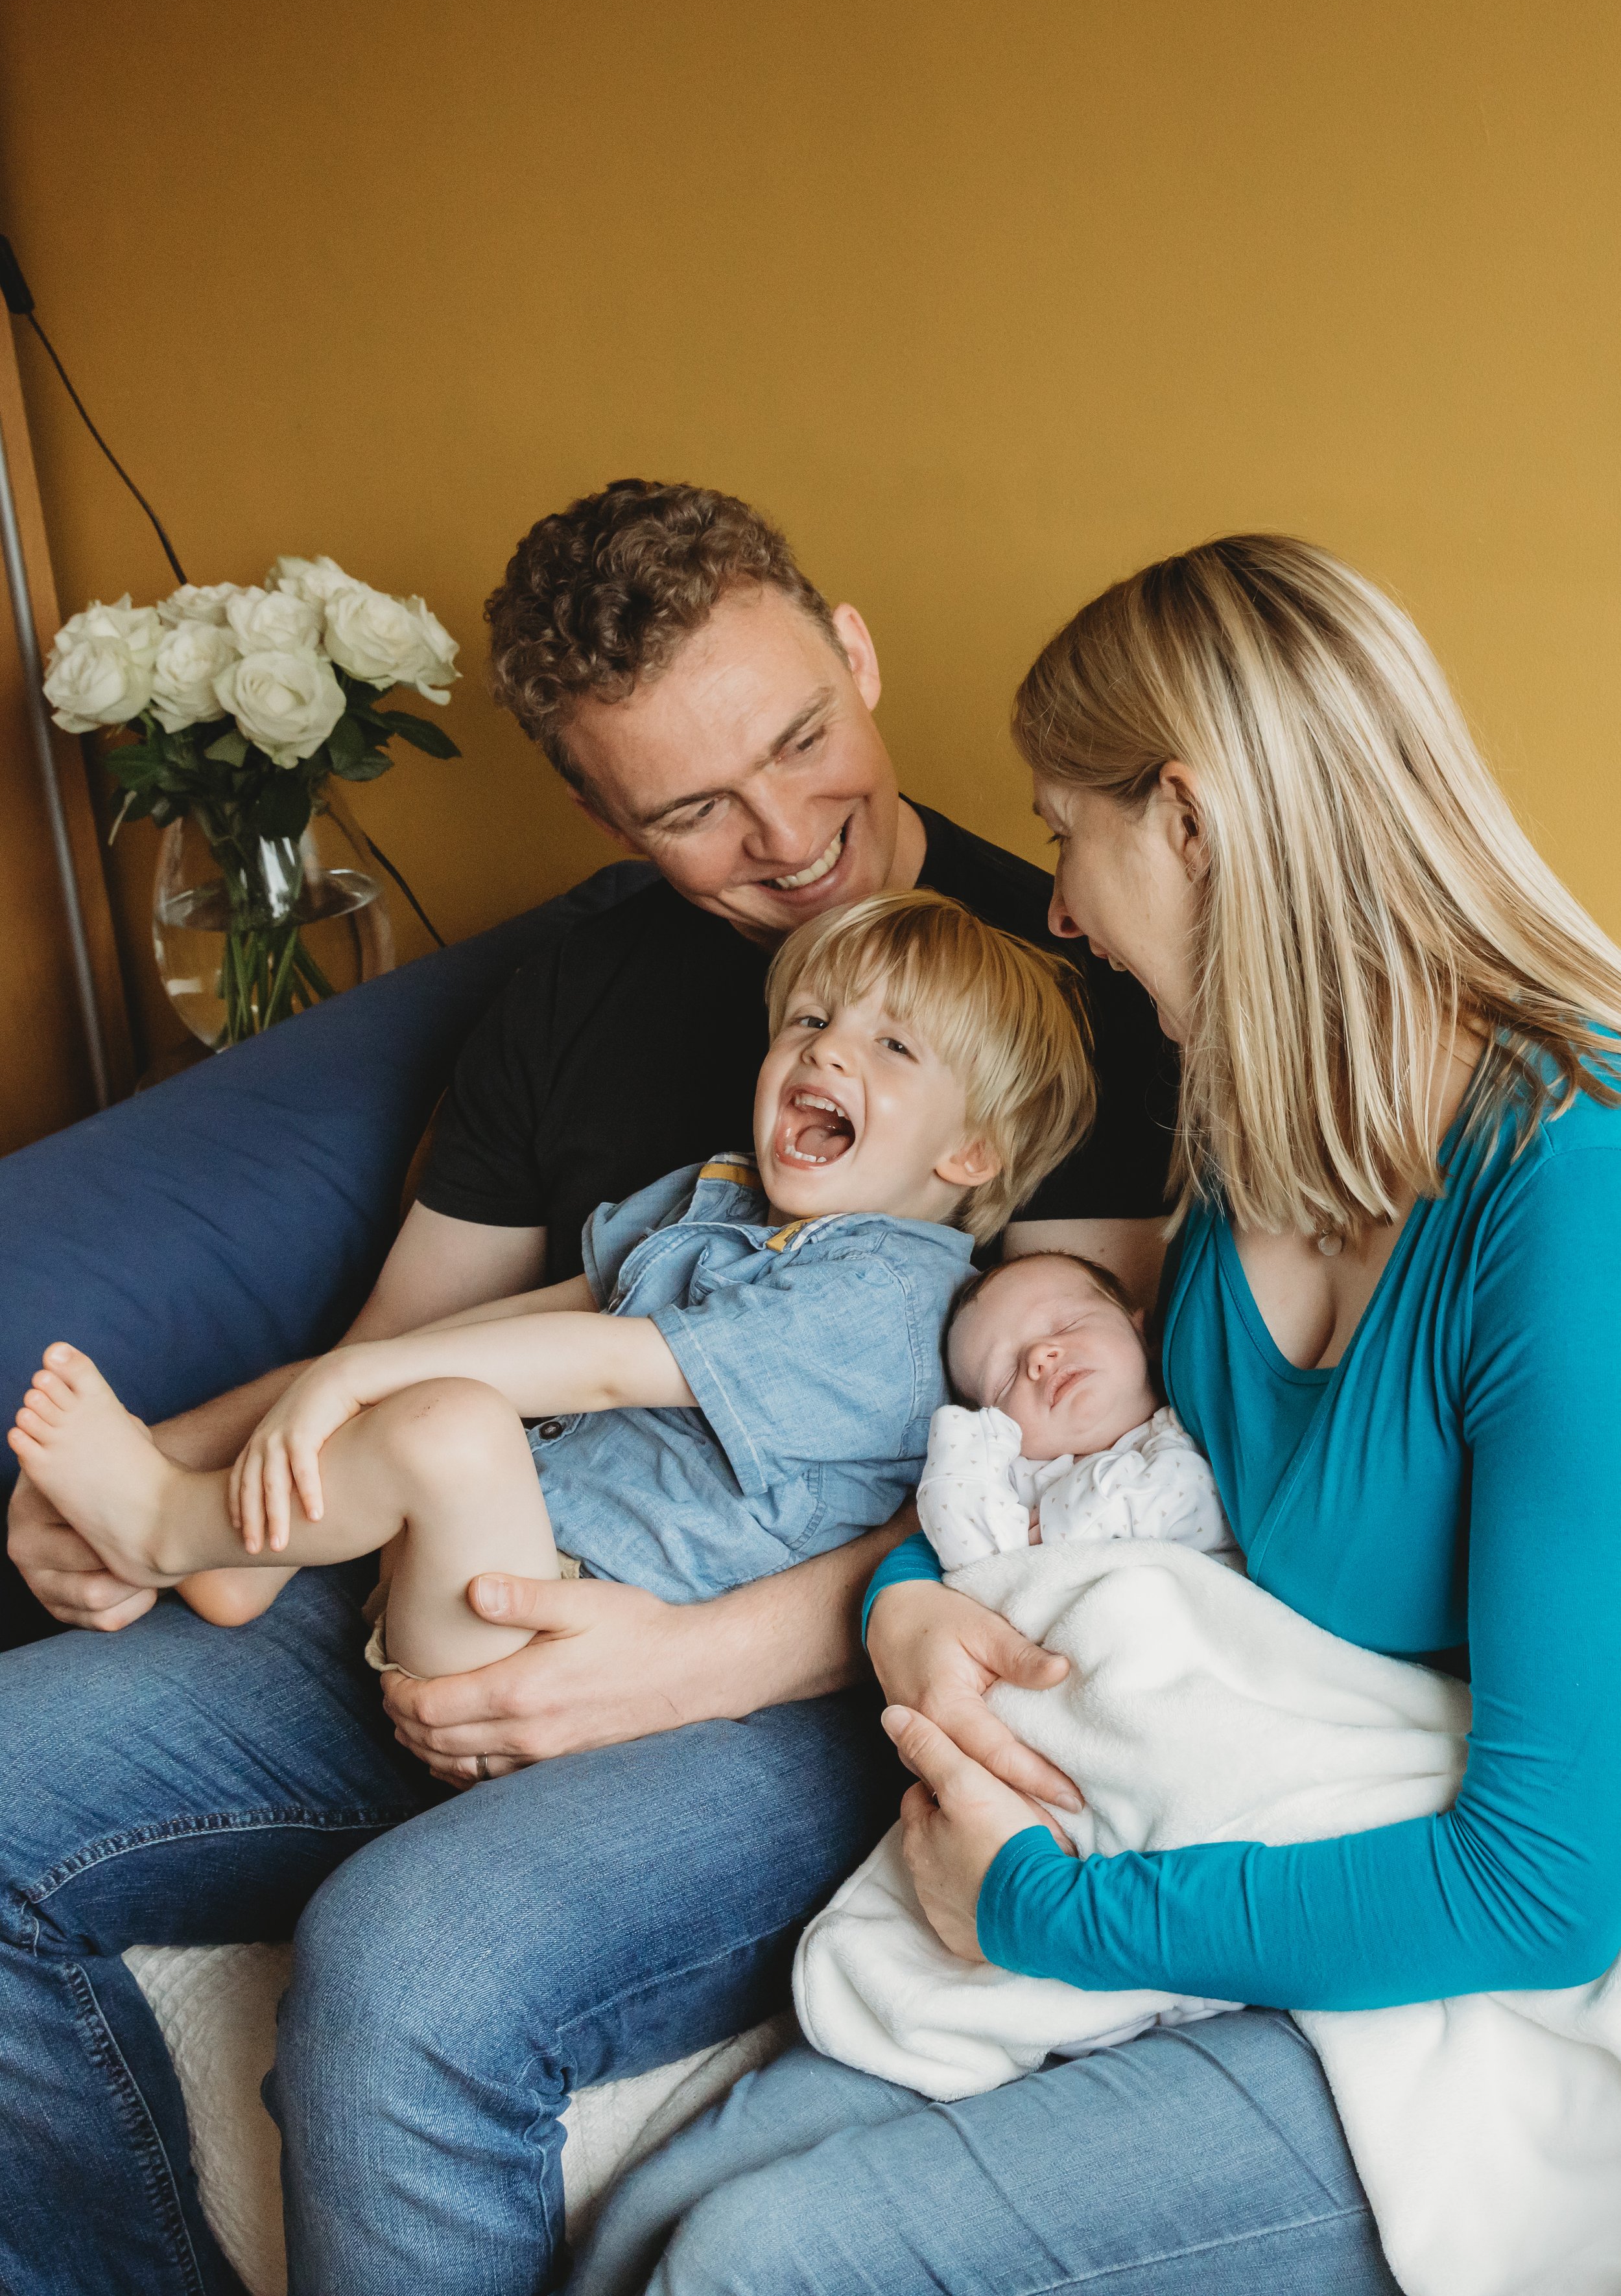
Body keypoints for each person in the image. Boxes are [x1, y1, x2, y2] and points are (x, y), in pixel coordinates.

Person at [0, 480, 1174, 2296]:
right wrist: (159, 1474)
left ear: (855, 650)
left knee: (410, 1960)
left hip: (816, 1665)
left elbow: (1039, 1466)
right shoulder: (577, 994)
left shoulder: (1070, 982)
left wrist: (698, 1659)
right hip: (475, 1561)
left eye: (801, 738)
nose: (786, 836)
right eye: (693, 809)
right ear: (595, 806)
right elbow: (410, 1336)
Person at [565, 532, 1621, 2296]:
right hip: (1245, 1845)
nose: (1056, 903)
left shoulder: (1568, 1196)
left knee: (764, 2255)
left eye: (1066, 828)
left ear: (1189, 824)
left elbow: (1545, 1885)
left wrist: (1039, 1910)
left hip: (1486, 1979)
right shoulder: (1258, 1135)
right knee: (645, 2226)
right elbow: (1089, 1467)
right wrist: (910, 1609)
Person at [10, 894, 1090, 1678]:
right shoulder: (718, 1200)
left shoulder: (892, 1298)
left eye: (893, 1043)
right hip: (489, 1561)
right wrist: (337, 1377)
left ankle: (167, 1526)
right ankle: (249, 1552)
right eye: (810, 1020)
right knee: (443, 1389)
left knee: (448, 1421)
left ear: (972, 1155)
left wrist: (365, 1377)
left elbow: (618, 1365)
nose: (829, 1052)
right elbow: (544, 1318)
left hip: (552, 1642)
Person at [914, 1249, 1233, 1568]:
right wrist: (958, 1440)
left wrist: (1061, 1521)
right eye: (1005, 1379)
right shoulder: (1008, 1482)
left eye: (1066, 1325)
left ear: (1144, 1333)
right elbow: (967, 1553)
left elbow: (1194, 1500)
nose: (1039, 1355)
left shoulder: (1191, 1428)